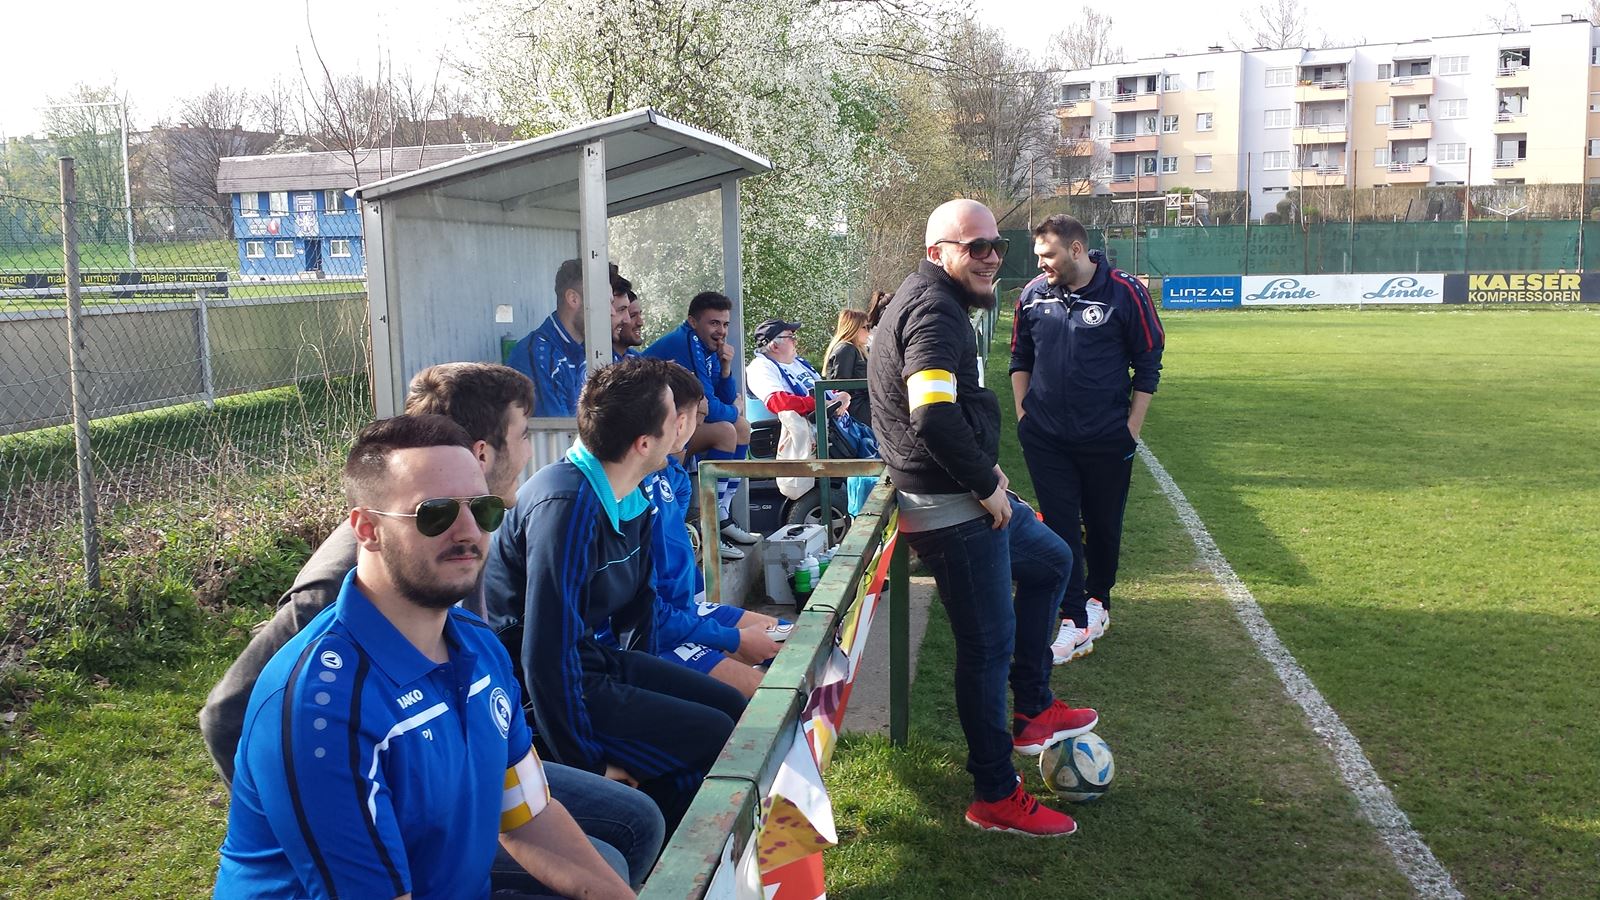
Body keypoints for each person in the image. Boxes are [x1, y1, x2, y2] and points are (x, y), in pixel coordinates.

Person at [199, 363, 664, 890]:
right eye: (434, 514)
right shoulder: (324, 707)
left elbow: (528, 817)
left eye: (482, 509)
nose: (468, 531)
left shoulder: (478, 647)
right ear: (367, 529)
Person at [867, 198, 1098, 837]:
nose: (992, 257)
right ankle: (994, 792)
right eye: (976, 247)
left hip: (964, 489)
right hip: (950, 506)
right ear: (937, 252)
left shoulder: (936, 300)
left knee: (1052, 560)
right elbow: (931, 416)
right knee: (987, 648)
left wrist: (985, 474)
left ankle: (1034, 709)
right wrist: (982, 483)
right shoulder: (935, 311)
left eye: (997, 245)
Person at [484, 356, 748, 834]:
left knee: (730, 708)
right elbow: (544, 657)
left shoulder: (631, 496)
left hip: (590, 662)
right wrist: (588, 763)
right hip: (536, 691)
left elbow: (638, 615)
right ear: (644, 443)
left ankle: (671, 827)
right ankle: (652, 845)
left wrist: (645, 694)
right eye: (674, 417)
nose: (685, 425)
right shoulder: (566, 506)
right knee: (713, 736)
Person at [1011, 214, 1164, 664]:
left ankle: (1099, 599)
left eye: (1048, 255)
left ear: (1076, 250)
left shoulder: (1124, 292)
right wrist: (1023, 415)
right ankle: (1074, 619)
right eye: (1038, 255)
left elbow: (1148, 362)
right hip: (1046, 438)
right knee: (1060, 527)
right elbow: (1020, 357)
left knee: (1102, 524)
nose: (1041, 264)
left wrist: (1131, 428)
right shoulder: (1033, 295)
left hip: (1106, 438)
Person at [644, 362, 788, 698]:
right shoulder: (629, 488)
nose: (700, 427)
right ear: (677, 421)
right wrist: (732, 640)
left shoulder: (670, 475)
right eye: (699, 417)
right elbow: (647, 610)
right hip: (661, 631)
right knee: (771, 695)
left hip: (685, 612)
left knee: (793, 639)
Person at [643, 291, 759, 559]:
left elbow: (720, 399)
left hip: (677, 427)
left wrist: (726, 369)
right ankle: (710, 527)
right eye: (713, 323)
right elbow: (714, 408)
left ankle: (721, 515)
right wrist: (735, 409)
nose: (721, 331)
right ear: (693, 322)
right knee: (726, 431)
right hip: (652, 431)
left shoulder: (708, 347)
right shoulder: (688, 343)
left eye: (725, 324)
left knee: (742, 428)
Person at [509, 258, 633, 417]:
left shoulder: (594, 349)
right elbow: (557, 429)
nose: (612, 311)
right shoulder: (538, 355)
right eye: (604, 302)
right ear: (573, 299)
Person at [745, 318, 849, 418]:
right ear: (774, 347)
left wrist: (843, 397)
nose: (796, 342)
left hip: (829, 423)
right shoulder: (760, 367)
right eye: (791, 337)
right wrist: (819, 404)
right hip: (805, 427)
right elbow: (778, 402)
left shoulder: (797, 362)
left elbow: (819, 390)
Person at [823, 307, 873, 426]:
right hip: (857, 410)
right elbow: (840, 386)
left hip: (864, 406)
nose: (869, 332)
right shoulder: (846, 349)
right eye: (865, 327)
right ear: (853, 328)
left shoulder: (859, 349)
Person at [614, 289, 645, 362]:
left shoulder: (636, 358)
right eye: (632, 316)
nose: (640, 323)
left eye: (640, 314)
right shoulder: (598, 357)